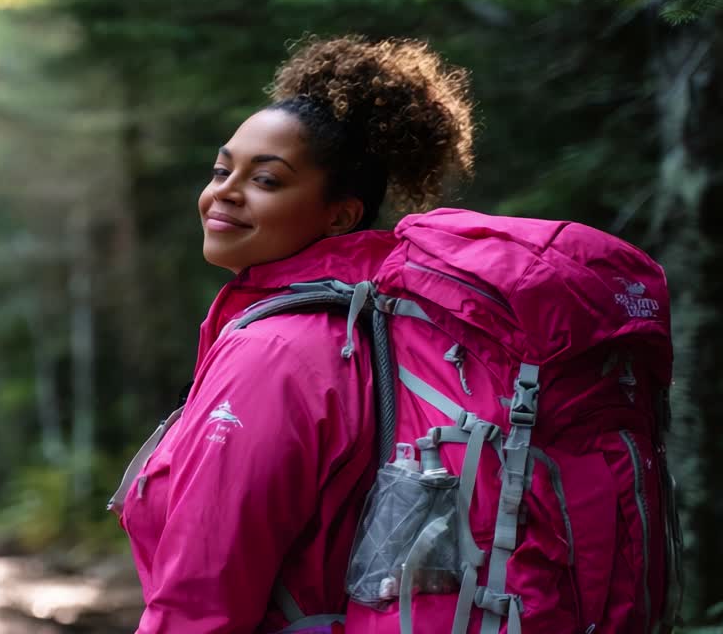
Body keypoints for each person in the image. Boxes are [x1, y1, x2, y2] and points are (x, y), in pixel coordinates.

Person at [112, 35, 475, 632]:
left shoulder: (276, 352)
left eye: (267, 180)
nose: (224, 192)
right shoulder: (371, 325)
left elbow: (205, 593)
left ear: (341, 214)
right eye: (222, 169)